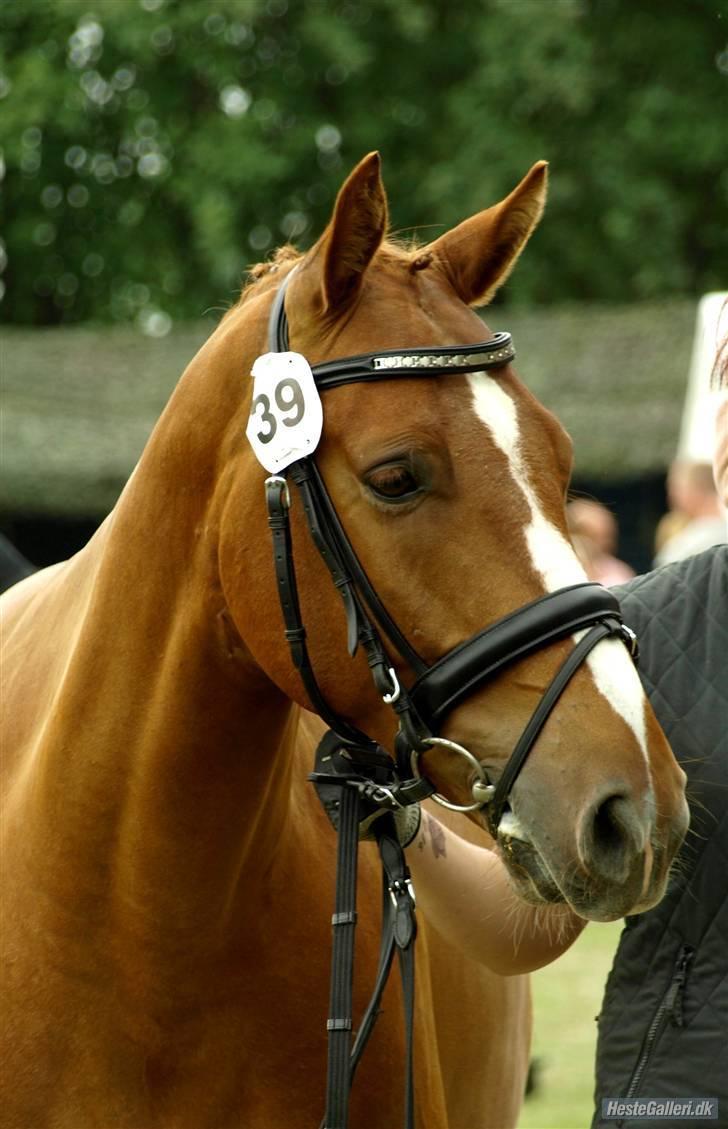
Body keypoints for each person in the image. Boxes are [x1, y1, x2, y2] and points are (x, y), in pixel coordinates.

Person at [566, 498, 635, 585]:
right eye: (593, 536)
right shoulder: (558, 570)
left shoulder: (620, 574)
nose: (606, 544)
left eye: (607, 536)